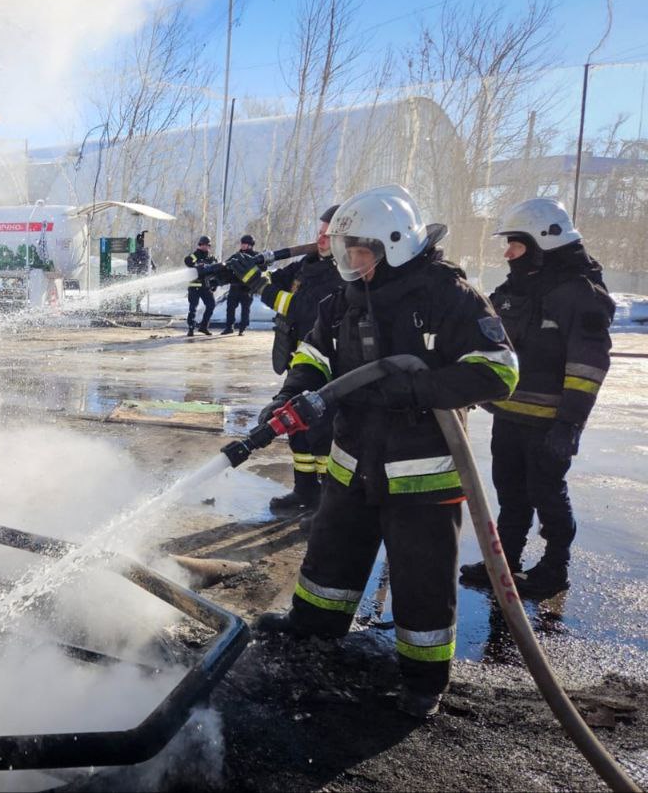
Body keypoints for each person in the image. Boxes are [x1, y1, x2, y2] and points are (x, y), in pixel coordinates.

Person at [245, 185, 519, 718]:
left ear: (393, 244)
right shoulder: (344, 297)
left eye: (359, 251)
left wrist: (411, 389)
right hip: (352, 461)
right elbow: (313, 353)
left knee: (422, 578)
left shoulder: (449, 295)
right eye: (346, 251)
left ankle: (422, 679)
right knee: (332, 553)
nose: (350, 261)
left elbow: (500, 370)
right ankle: (315, 629)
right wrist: (290, 394)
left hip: (423, 473)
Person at [459, 198, 613, 599]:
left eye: (516, 244)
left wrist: (569, 424)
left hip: (549, 422)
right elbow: (485, 337)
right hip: (508, 415)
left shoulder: (581, 295)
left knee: (547, 493)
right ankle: (504, 562)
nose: (507, 253)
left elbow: (589, 365)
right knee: (510, 492)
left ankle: (554, 568)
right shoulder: (514, 289)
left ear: (545, 243)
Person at [232, 205, 345, 515]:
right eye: (319, 232)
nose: (321, 239)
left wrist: (260, 285)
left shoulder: (341, 274)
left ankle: (326, 500)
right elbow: (275, 282)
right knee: (297, 430)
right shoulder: (307, 264)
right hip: (302, 361)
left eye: (328, 234)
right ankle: (305, 491)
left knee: (321, 435)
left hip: (329, 365)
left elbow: (299, 308)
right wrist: (246, 270)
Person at [221, 235, 258, 334]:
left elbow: (262, 269)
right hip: (234, 287)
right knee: (230, 308)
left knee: (245, 309)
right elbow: (226, 265)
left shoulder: (256, 256)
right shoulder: (236, 256)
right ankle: (229, 327)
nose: (242, 245)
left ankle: (242, 328)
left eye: (245, 243)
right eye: (242, 243)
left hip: (247, 288)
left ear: (250, 245)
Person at [184, 235, 218, 336]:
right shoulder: (195, 255)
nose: (204, 247)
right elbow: (188, 261)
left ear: (209, 246)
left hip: (206, 287)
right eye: (202, 245)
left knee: (211, 305)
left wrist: (214, 284)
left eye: (206, 245)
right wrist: (197, 265)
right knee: (193, 307)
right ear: (199, 245)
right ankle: (191, 328)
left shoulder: (211, 258)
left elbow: (216, 271)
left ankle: (204, 327)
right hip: (194, 286)